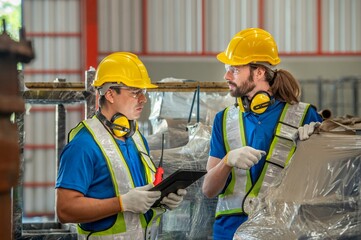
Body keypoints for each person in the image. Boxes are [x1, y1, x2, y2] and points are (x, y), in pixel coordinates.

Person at [202, 28, 322, 240]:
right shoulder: (224, 119)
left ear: (259, 72)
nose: (226, 75)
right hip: (229, 232)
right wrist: (227, 161)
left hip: (282, 230)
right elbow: (209, 190)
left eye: (234, 69)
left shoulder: (303, 115)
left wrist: (317, 143)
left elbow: (322, 183)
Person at [55, 52, 187, 240]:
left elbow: (140, 200)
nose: (143, 99)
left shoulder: (136, 139)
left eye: (144, 92)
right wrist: (122, 203)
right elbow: (65, 210)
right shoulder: (83, 146)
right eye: (135, 92)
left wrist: (162, 200)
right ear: (110, 94)